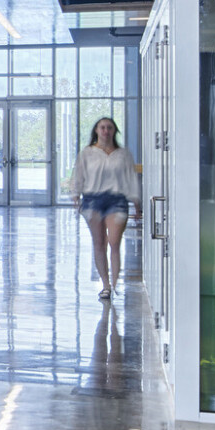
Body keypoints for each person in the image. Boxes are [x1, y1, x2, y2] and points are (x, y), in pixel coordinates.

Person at [69, 116, 141, 301]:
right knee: (98, 243)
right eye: (102, 127)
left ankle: (115, 284)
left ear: (114, 131)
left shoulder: (123, 154)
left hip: (117, 200)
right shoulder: (87, 153)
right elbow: (78, 174)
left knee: (114, 242)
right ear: (96, 130)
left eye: (109, 127)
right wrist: (75, 195)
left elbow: (131, 179)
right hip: (93, 200)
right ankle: (106, 285)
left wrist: (136, 203)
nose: (106, 131)